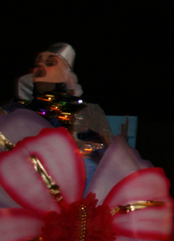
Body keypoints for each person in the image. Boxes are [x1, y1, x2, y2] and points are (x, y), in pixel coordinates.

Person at [3, 43, 113, 171]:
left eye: (50, 63)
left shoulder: (85, 111)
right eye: (37, 64)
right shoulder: (17, 109)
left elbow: (103, 154)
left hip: (68, 176)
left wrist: (72, 150)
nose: (40, 67)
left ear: (65, 74)